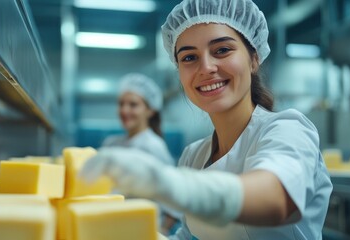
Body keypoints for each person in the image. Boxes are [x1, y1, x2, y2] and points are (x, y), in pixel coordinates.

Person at [80, 0, 333, 239]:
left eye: (222, 50)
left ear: (254, 58)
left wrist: (168, 182)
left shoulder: (287, 130)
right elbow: (190, 236)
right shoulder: (194, 156)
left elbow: (276, 198)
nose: (206, 67)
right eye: (189, 57)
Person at [101, 73, 180, 234]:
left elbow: (174, 197)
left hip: (142, 231)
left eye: (133, 104)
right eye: (121, 104)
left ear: (150, 110)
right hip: (113, 228)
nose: (124, 110)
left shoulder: (153, 147)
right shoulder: (112, 143)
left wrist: (162, 230)